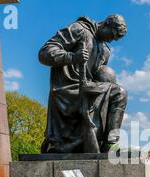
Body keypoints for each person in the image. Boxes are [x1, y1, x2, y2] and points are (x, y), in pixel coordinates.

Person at [39, 15, 128, 153]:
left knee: (119, 93)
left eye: (115, 39)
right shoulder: (78, 29)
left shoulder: (105, 51)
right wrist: (73, 57)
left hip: (89, 88)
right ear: (106, 24)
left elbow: (99, 75)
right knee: (119, 92)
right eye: (112, 34)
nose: (111, 40)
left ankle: (110, 144)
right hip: (67, 90)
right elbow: (44, 53)